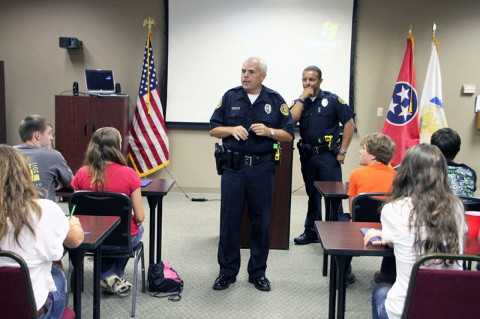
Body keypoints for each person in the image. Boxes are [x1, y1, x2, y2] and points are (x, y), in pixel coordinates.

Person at [209, 56, 294, 292]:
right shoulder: (230, 96)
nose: (245, 75)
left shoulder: (275, 100)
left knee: (260, 221)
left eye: (251, 72)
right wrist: (230, 129)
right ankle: (226, 272)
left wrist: (269, 131)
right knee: (229, 221)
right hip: (233, 169)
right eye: (243, 71)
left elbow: (288, 134)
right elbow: (213, 129)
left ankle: (257, 273)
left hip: (261, 169)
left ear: (262, 76)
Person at [364, 144, 466, 319]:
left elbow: (392, 239)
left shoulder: (393, 209)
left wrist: (384, 236)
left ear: (405, 172)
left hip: (407, 310)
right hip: (451, 309)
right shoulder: (456, 206)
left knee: (381, 291)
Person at [0, 145, 84, 318]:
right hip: (34, 312)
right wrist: (73, 223)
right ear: (23, 175)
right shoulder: (43, 210)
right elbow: (75, 241)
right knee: (56, 269)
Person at [71, 127, 145, 297]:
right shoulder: (130, 175)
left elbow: (75, 212)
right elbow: (140, 217)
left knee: (106, 238)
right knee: (136, 230)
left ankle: (108, 276)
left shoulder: (81, 174)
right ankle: (109, 276)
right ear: (117, 147)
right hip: (121, 239)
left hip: (89, 237)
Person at [290, 65, 355, 245]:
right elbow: (290, 121)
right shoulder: (299, 103)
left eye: (311, 79)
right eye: (304, 79)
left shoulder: (332, 100)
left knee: (333, 197)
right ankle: (311, 232)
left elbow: (349, 124)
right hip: (308, 156)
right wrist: (302, 99)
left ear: (320, 81)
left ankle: (335, 234)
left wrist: (342, 151)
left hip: (328, 156)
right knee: (313, 195)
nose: (308, 83)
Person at [347, 132, 396, 285]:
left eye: (363, 148)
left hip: (360, 225)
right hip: (388, 228)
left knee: (341, 220)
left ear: (373, 155)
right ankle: (387, 274)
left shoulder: (356, 174)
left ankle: (344, 272)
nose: (360, 151)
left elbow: (352, 211)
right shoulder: (398, 176)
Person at [15, 115, 73, 201]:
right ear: (37, 135)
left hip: (11, 211)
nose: (52, 138)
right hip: (43, 212)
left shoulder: (7, 154)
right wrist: (61, 180)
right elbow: (73, 182)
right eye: (49, 133)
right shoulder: (53, 155)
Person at [430, 127, 477, 197]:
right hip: (464, 208)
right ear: (458, 149)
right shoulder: (469, 172)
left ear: (433, 150)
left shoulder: (427, 172)